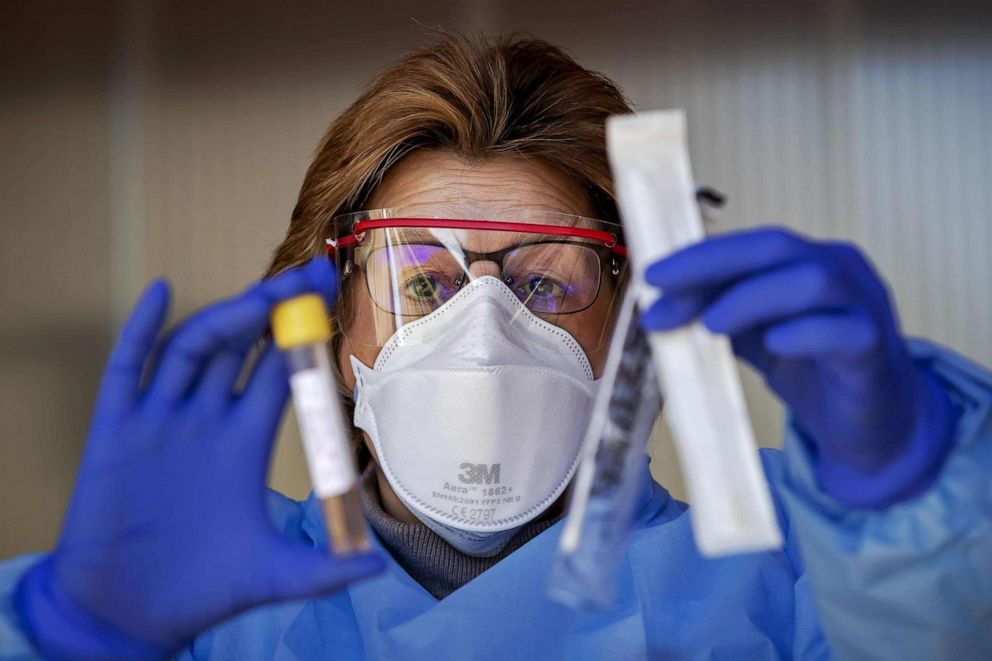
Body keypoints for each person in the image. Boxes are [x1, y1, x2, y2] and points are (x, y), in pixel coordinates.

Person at [1, 32, 990, 660]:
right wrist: (70, 636)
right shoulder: (195, 608)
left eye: (545, 280)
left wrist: (910, 497)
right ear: (331, 317)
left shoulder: (800, 581)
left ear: (630, 324)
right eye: (421, 282)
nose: (480, 332)